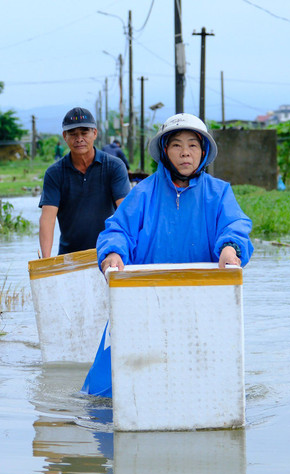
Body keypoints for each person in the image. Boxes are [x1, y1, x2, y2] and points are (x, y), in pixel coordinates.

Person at [81, 113, 254, 397]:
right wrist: (112, 253)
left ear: (204, 151)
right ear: (164, 151)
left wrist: (230, 248)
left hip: (202, 301)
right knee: (101, 393)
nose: (185, 152)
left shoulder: (220, 193)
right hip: (144, 299)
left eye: (192, 145)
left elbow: (235, 227)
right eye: (176, 145)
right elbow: (117, 230)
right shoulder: (143, 193)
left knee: (203, 383)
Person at [38, 107, 131, 258]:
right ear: (64, 136)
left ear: (94, 133)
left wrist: (128, 250)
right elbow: (47, 218)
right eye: (73, 134)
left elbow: (126, 212)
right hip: (69, 257)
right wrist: (46, 260)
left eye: (84, 133)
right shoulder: (54, 173)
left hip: (109, 254)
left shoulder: (114, 166)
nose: (79, 139)